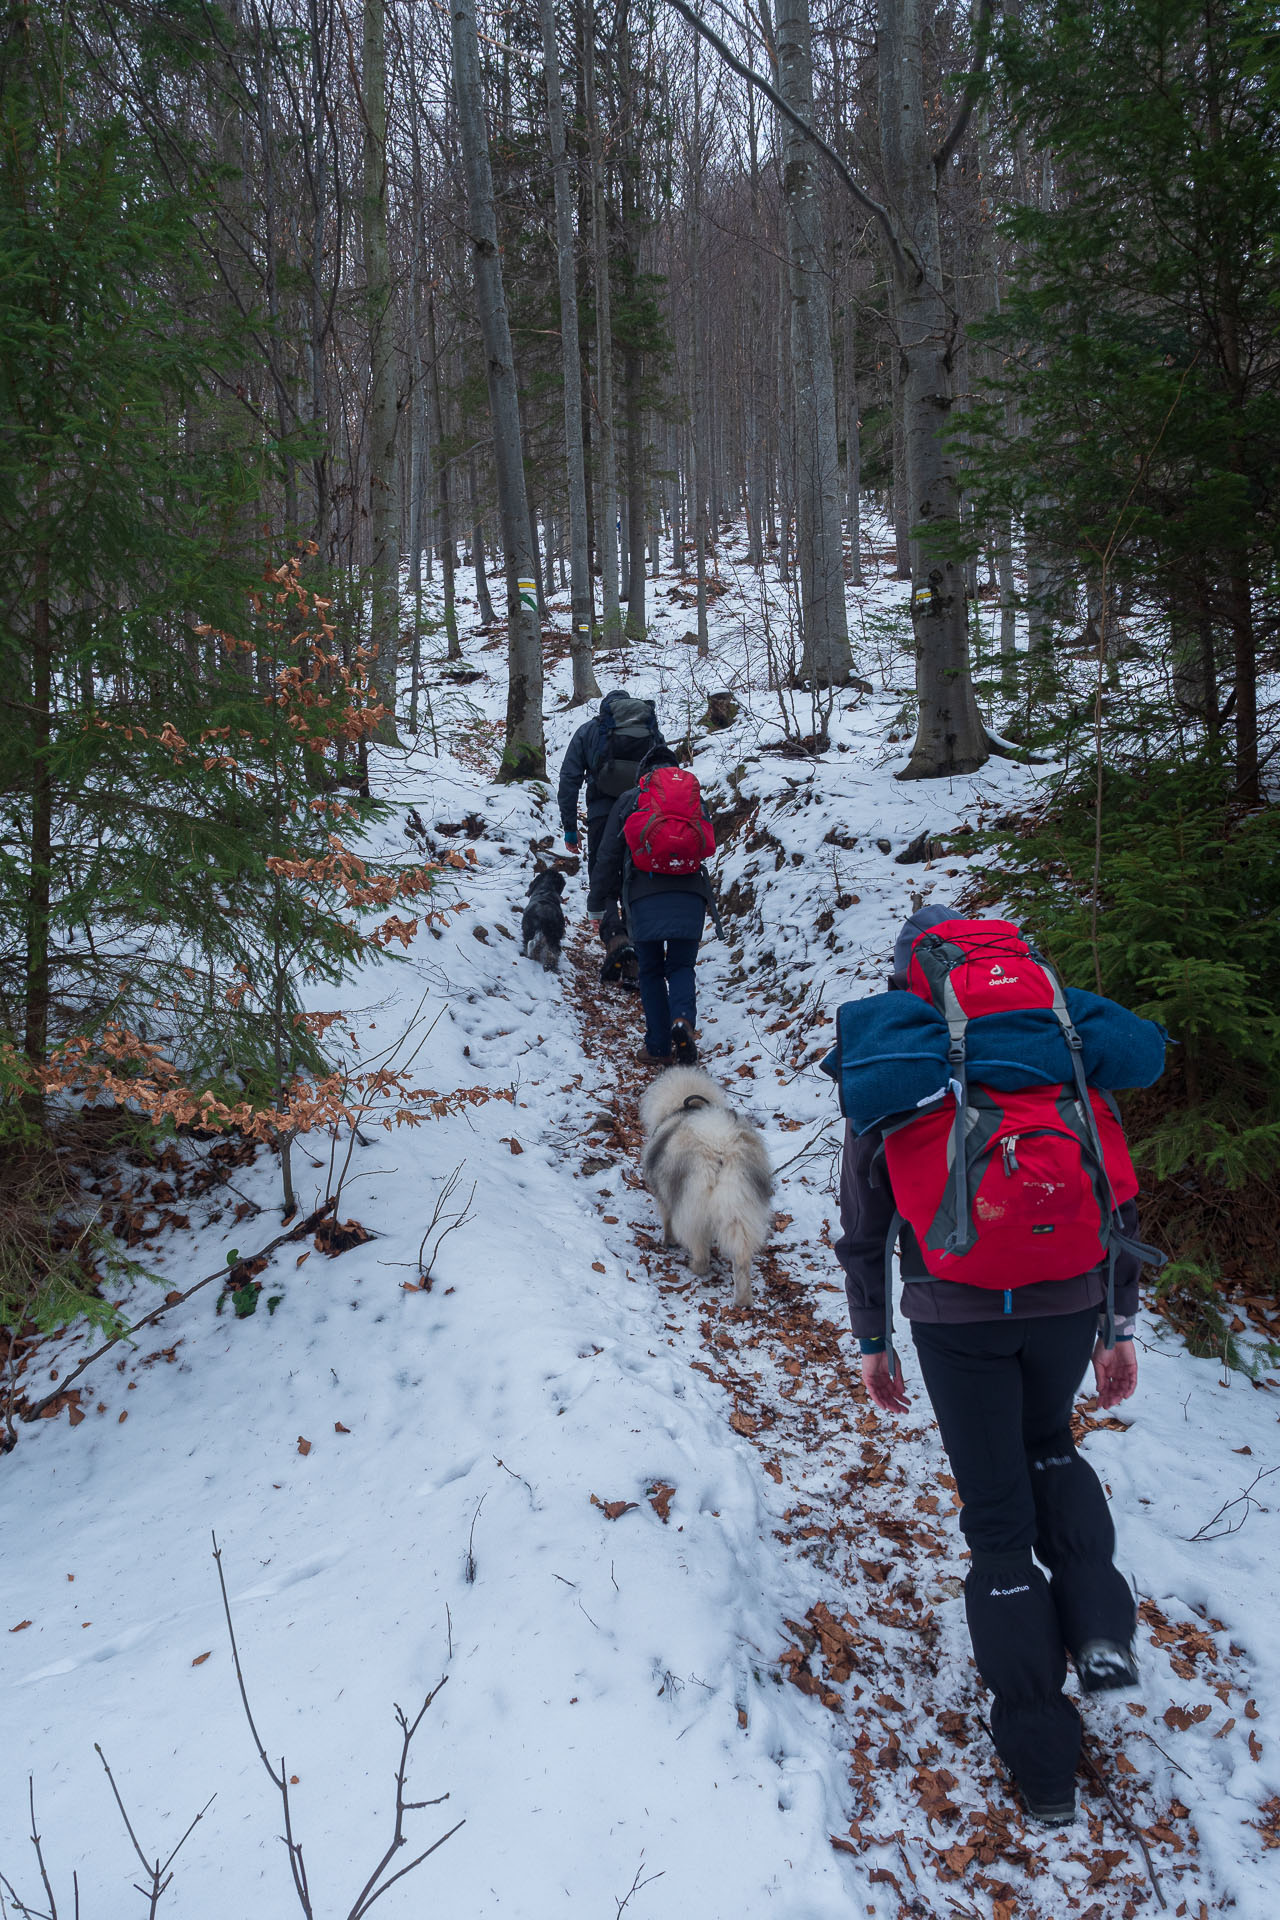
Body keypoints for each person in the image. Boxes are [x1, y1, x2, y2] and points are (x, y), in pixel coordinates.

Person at [834, 905, 1150, 1830]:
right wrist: (1115, 1321)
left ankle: (1045, 1765)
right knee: (1050, 1439)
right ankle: (1098, 1631)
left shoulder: (901, 1065)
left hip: (957, 1314)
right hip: (1065, 1295)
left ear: (912, 977)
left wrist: (873, 1341)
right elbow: (1115, 1190)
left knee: (999, 1528)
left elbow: (865, 1229)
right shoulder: (1060, 1047)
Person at [587, 745, 715, 1066]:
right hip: (690, 895)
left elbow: (607, 857)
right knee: (682, 966)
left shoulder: (630, 799)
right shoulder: (693, 799)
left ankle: (657, 1047)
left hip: (645, 896)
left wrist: (597, 906)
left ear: (642, 773)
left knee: (652, 971)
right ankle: (683, 1021)